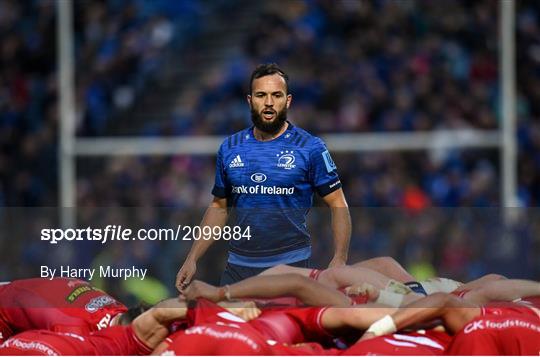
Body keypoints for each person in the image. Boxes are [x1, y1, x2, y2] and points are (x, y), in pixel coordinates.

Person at [176, 63, 351, 287]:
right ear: (250, 100)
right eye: (261, 95)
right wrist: (192, 258)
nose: (269, 103)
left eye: (276, 95)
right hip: (237, 269)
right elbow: (219, 207)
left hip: (291, 268)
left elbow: (338, 203)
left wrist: (340, 257)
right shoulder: (230, 147)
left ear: (288, 101)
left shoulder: (311, 147)